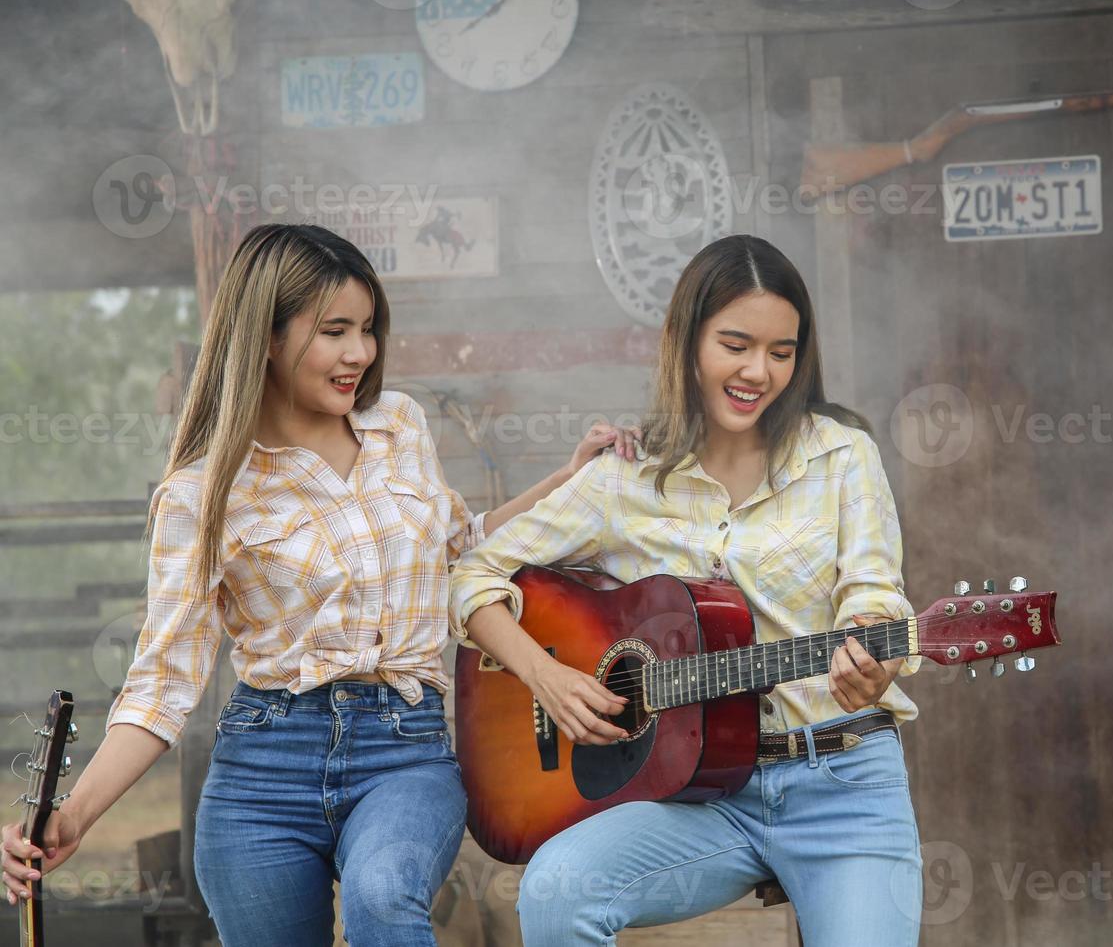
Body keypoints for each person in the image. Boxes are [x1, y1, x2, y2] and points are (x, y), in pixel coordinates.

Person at [0, 223, 639, 946]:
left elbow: (460, 552)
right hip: (261, 771)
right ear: (266, 337)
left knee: (382, 895)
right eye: (335, 331)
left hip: (403, 750)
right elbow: (162, 684)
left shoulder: (399, 426)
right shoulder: (201, 493)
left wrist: (567, 482)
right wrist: (75, 814)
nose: (359, 353)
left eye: (367, 330)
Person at [449, 234, 925, 946]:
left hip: (843, 784)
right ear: (684, 339)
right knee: (556, 890)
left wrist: (874, 661)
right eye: (735, 344)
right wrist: (544, 675)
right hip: (704, 799)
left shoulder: (841, 456)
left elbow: (875, 596)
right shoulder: (626, 478)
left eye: (781, 351)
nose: (757, 371)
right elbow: (473, 575)